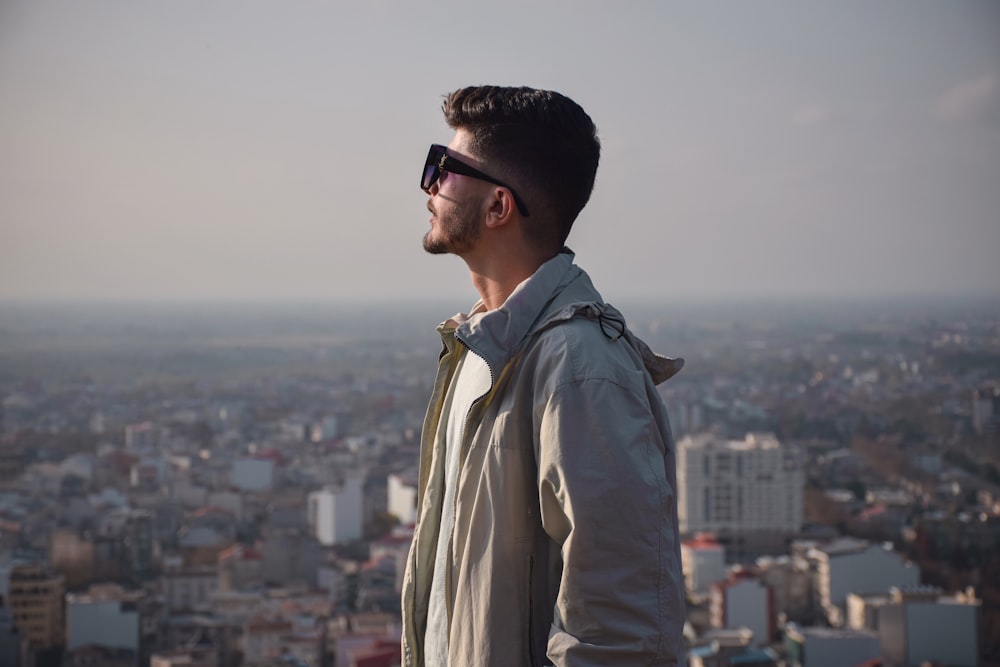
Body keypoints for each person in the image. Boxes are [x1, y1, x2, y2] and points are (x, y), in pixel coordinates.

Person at [400, 85, 685, 667]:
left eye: (443, 169)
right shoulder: (485, 349)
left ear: (498, 206)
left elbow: (618, 632)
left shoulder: (580, 369)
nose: (428, 185)